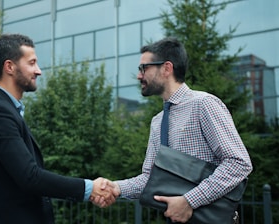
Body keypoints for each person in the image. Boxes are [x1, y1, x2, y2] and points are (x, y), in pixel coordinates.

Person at [92, 37, 253, 223]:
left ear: (167, 68)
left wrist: (189, 201)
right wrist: (115, 188)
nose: (139, 76)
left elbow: (238, 163)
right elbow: (151, 178)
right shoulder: (158, 121)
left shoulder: (204, 104)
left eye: (144, 68)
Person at [0, 33, 117, 224]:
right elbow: (30, 177)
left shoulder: (6, 110)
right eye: (31, 63)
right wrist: (89, 189)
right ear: (9, 67)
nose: (38, 71)